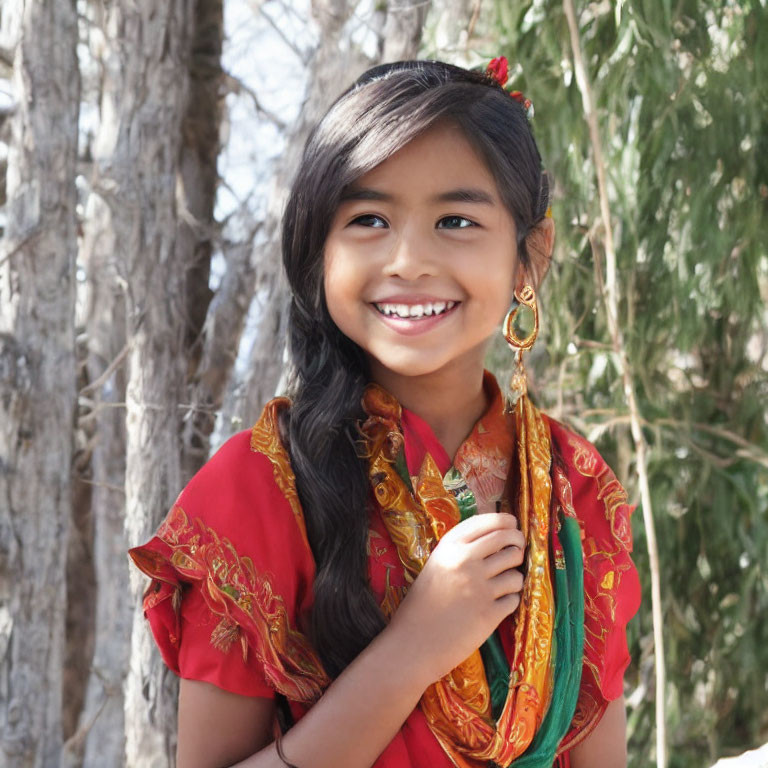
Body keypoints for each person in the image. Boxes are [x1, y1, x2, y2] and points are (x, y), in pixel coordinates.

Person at [129, 58, 641, 768]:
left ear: (531, 256)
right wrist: (412, 650)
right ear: (318, 251)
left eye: (455, 220)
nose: (408, 260)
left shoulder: (575, 489)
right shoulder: (253, 492)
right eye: (368, 219)